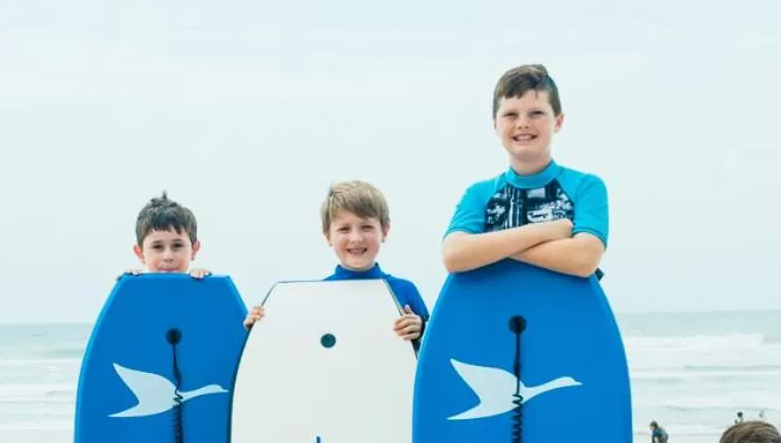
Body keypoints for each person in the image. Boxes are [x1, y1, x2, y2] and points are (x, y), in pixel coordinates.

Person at [441, 64, 608, 279]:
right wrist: (547, 232)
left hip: (565, 312)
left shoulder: (586, 186)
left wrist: (488, 247)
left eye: (536, 113)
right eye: (511, 114)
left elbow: (584, 259)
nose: (523, 123)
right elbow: (454, 256)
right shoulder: (479, 194)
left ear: (558, 121)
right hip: (497, 311)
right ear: (495, 124)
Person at [244, 180, 430, 346]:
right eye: (344, 229)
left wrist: (421, 329)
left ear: (385, 231)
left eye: (366, 227)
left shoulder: (405, 290)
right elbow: (295, 346)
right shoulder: (313, 297)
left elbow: (433, 350)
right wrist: (260, 327)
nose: (356, 238)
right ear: (328, 236)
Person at [129, 193, 210, 278]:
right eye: (157, 246)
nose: (168, 257)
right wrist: (128, 286)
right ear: (140, 253)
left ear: (194, 249)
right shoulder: (132, 287)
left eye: (177, 245)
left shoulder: (204, 287)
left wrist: (205, 285)